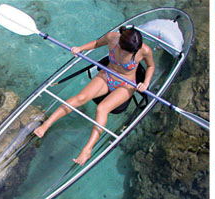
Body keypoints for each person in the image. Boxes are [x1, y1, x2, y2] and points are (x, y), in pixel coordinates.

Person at [34, 27, 155, 166]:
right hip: (107, 74)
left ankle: (87, 149)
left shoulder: (144, 50)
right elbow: (97, 43)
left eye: (132, 51)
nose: (129, 53)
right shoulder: (112, 37)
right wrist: (80, 48)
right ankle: (47, 124)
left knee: (102, 108)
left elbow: (151, 66)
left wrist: (145, 83)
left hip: (126, 84)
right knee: (80, 98)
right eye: (127, 50)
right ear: (120, 42)